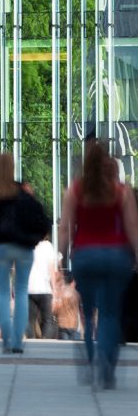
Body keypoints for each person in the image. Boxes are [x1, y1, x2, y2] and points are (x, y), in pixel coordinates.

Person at [59, 141, 138, 389]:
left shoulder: (76, 190)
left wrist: (62, 259)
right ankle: (107, 366)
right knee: (110, 314)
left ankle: (90, 354)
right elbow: (132, 228)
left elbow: (65, 229)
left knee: (88, 312)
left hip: (85, 256)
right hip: (116, 257)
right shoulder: (121, 192)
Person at [0, 152, 36, 354]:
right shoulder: (24, 190)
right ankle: (18, 342)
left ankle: (6, 337)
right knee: (21, 292)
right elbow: (34, 214)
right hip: (23, 245)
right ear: (13, 167)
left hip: (1, 245)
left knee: (3, 292)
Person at [26, 233, 58, 340]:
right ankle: (46, 341)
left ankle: (30, 341)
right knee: (47, 319)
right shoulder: (48, 246)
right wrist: (54, 290)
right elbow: (51, 269)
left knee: (30, 319)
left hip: (30, 288)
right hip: (45, 289)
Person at [53, 270, 81, 342]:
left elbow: (55, 309)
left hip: (62, 325)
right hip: (74, 326)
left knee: (63, 349)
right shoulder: (77, 294)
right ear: (73, 282)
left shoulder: (59, 293)